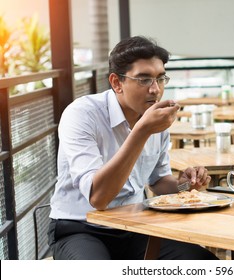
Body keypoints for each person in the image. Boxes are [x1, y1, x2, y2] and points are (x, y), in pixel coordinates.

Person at [48, 36, 216, 260]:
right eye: (144, 80)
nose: (155, 90)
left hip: (136, 226)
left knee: (203, 262)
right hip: (80, 228)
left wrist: (186, 185)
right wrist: (142, 131)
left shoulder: (155, 119)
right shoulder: (82, 114)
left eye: (160, 78)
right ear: (117, 83)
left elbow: (158, 181)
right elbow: (98, 198)